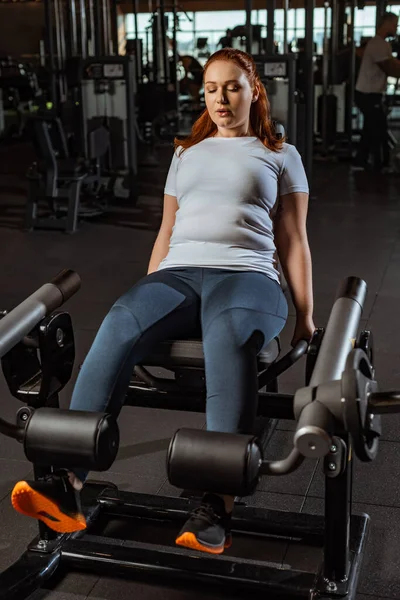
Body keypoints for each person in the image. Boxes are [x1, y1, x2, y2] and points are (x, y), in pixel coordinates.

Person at [11, 48, 314, 556]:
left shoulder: (280, 152)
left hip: (249, 276)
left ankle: (217, 504)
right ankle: (68, 484)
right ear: (203, 94)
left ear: (254, 90)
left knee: (228, 335)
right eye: (212, 88)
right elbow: (167, 230)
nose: (221, 97)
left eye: (233, 86)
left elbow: (294, 239)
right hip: (179, 272)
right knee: (120, 320)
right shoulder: (185, 152)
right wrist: (150, 297)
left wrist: (306, 316)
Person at [354, 12, 400, 172]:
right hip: (367, 95)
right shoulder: (377, 44)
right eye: (394, 24)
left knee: (371, 128)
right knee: (378, 129)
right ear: (386, 24)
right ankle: (380, 165)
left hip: (372, 94)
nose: (396, 28)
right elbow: (390, 68)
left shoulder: (383, 44)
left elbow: (393, 64)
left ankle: (361, 161)